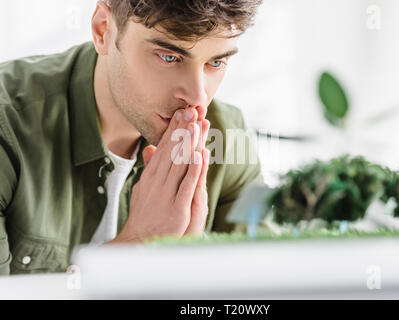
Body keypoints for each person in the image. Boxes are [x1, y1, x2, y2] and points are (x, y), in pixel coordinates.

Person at [0, 0, 263, 275]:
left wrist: (190, 268)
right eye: (169, 57)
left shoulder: (229, 138)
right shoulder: (8, 124)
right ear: (103, 29)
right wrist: (138, 242)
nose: (198, 97)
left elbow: (266, 283)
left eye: (216, 62)